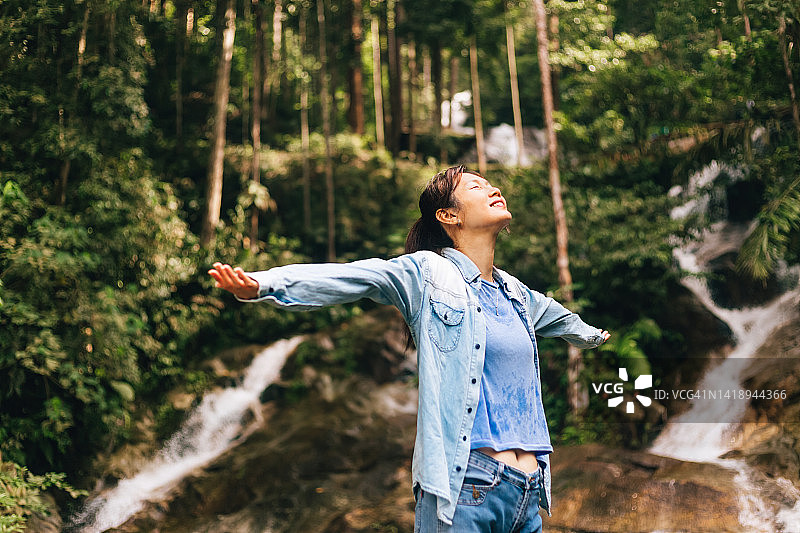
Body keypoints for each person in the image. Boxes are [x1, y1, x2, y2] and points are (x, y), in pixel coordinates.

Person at [208, 165, 610, 532]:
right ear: (448, 215)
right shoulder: (427, 273)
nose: (494, 188)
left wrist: (593, 335)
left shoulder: (515, 294)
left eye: (490, 183)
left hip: (527, 494)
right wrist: (263, 285)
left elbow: (560, 317)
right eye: (476, 186)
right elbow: (354, 276)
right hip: (467, 487)